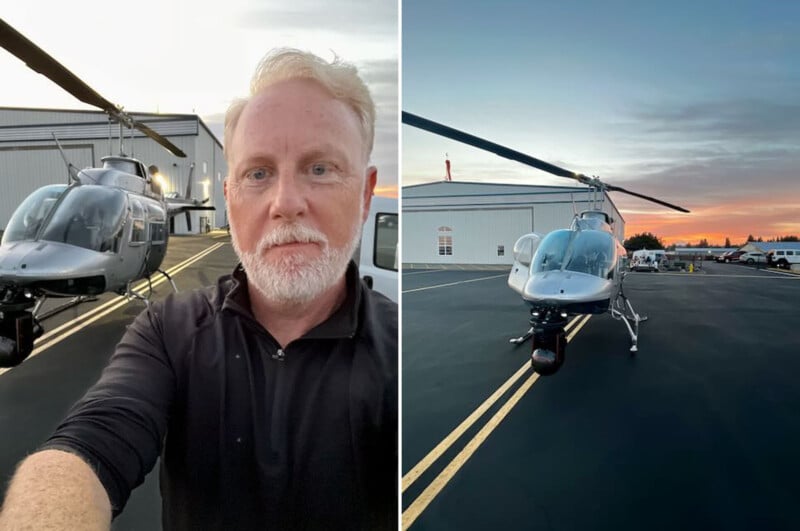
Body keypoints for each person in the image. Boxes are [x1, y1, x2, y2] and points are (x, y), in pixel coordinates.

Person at [0, 49, 398, 530]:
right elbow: (93, 440)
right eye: (258, 173)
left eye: (320, 169)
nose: (286, 204)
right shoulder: (167, 330)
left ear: (365, 194)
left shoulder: (400, 350)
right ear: (231, 197)